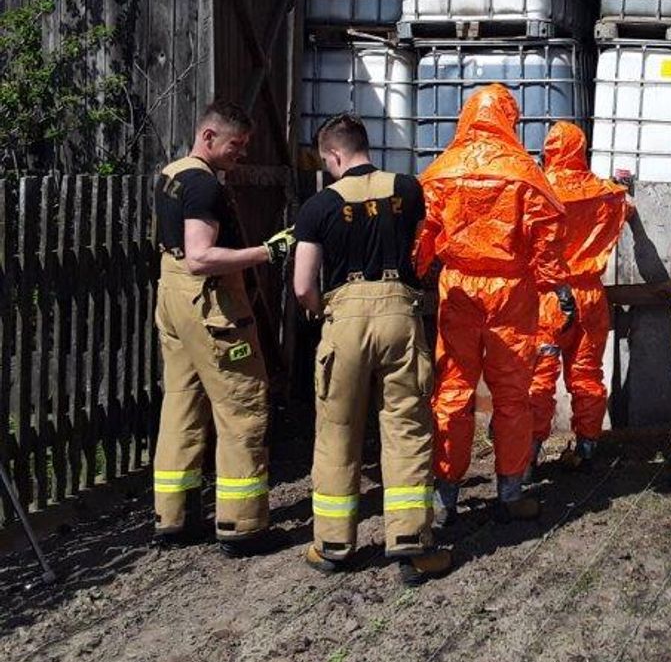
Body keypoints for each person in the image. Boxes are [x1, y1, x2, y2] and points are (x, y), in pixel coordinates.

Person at [292, 113, 451, 586]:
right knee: (406, 428)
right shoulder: (408, 189)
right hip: (401, 316)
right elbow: (427, 253)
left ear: (335, 155)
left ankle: (334, 546)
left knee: (338, 431)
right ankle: (410, 545)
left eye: (326, 160)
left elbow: (303, 284)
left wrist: (323, 312)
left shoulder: (318, 206)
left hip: (344, 322)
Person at [415, 84, 575, 524]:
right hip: (512, 291)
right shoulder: (525, 172)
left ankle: (445, 497)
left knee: (452, 390)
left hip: (459, 289)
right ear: (509, 119)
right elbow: (546, 237)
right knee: (511, 393)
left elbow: (422, 232)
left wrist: (415, 274)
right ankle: (511, 491)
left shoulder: (441, 171)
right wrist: (556, 288)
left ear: (466, 116)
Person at [152, 100, 295, 555]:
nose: (243, 153)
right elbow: (199, 257)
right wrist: (266, 253)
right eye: (237, 144)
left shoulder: (170, 175)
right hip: (211, 302)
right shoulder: (203, 187)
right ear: (209, 136)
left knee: (182, 402)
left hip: (172, 297)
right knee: (242, 407)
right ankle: (243, 525)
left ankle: (172, 518)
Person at [529, 121, 630, 472]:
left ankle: (528, 454)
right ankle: (587, 448)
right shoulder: (604, 192)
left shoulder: (539, 189)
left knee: (540, 378)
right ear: (580, 150)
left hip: (550, 297)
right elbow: (624, 206)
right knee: (587, 374)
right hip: (591, 295)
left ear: (549, 151)